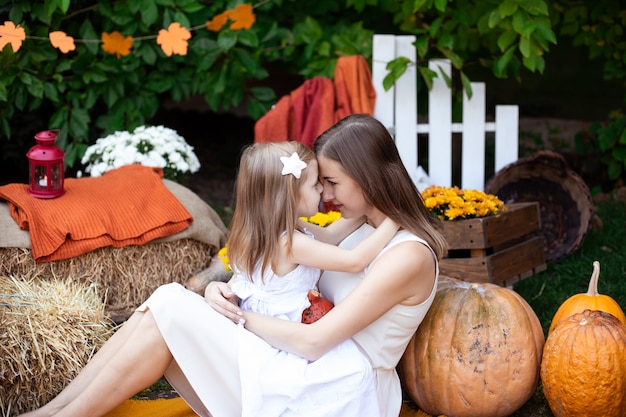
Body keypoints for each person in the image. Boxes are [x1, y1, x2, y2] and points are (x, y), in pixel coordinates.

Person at [19, 114, 447, 417]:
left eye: (332, 182)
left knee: (172, 307)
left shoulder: (405, 253)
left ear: (368, 178)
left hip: (336, 387)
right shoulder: (362, 227)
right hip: (299, 356)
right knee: (169, 303)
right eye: (323, 183)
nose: (327, 195)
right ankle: (56, 411)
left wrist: (236, 316)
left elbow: (316, 341)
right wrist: (215, 295)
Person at [225, 140, 399, 416]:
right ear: (290, 195)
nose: (322, 190)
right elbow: (354, 261)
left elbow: (329, 236)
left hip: (270, 329)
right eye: (315, 184)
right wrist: (396, 219)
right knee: (350, 377)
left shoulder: (270, 233)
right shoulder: (291, 243)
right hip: (289, 334)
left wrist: (369, 204)